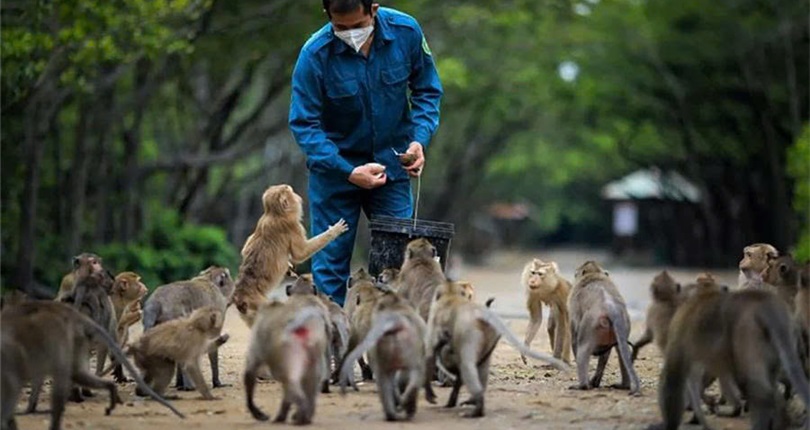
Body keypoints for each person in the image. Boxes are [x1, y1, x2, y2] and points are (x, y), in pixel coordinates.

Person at [288, 0, 443, 306]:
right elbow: (304, 124)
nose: (350, 34)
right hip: (335, 173)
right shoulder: (314, 54)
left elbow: (427, 90)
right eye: (340, 28)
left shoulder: (406, 31)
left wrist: (418, 140)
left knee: (396, 264)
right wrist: (347, 170)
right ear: (327, 16)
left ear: (373, 9)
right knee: (329, 266)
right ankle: (331, 345)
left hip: (392, 169)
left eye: (357, 26)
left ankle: (390, 345)